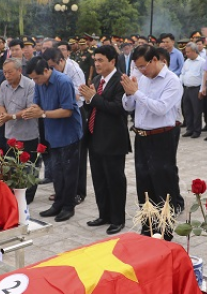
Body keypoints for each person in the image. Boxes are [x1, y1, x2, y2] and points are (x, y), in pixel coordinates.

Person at [123, 45, 183, 239]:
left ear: (155, 60)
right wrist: (129, 93)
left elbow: (161, 108)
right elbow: (129, 106)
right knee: (144, 185)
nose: (141, 70)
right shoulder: (141, 79)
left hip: (161, 138)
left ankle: (165, 232)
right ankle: (148, 227)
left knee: (162, 186)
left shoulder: (172, 81)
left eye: (143, 66)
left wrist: (137, 93)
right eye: (137, 67)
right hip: (141, 137)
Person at [23, 57, 82, 222]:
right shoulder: (40, 84)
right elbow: (37, 104)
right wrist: (31, 111)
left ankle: (69, 207)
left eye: (37, 77)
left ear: (47, 71)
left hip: (69, 133)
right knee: (56, 171)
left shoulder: (64, 82)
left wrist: (41, 113)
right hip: (52, 133)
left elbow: (67, 111)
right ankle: (58, 203)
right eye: (33, 78)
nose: (35, 81)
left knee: (69, 172)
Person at [80, 45, 130, 235]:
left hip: (113, 139)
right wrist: (86, 100)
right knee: (99, 179)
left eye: (101, 60)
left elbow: (118, 108)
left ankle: (118, 219)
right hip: (95, 137)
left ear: (112, 61)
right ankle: (104, 214)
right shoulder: (96, 79)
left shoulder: (121, 81)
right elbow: (91, 108)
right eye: (95, 60)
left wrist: (93, 98)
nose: (97, 63)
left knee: (115, 180)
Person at [43, 47, 88, 205]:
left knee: (77, 157)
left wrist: (63, 91)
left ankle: (78, 192)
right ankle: (62, 191)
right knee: (60, 157)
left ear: (61, 61)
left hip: (75, 113)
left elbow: (80, 93)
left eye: (53, 67)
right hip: (58, 113)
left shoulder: (73, 70)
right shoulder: (54, 73)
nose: (51, 71)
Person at [0, 58, 40, 203]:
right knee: (11, 167)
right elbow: (1, 104)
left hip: (28, 134)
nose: (7, 76)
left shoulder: (30, 85)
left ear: (19, 71)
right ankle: (13, 196)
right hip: (10, 134)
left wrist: (11, 116)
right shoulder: (4, 85)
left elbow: (30, 109)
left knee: (29, 168)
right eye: (4, 73)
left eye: (10, 72)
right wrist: (3, 114)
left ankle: (28, 198)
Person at [181, 43, 205, 138]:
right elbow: (183, 74)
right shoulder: (187, 61)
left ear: (194, 51)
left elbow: (204, 77)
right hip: (186, 89)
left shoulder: (202, 62)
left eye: (188, 52)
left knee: (196, 111)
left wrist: (202, 90)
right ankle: (189, 129)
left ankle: (196, 130)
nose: (186, 54)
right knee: (187, 110)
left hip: (196, 89)